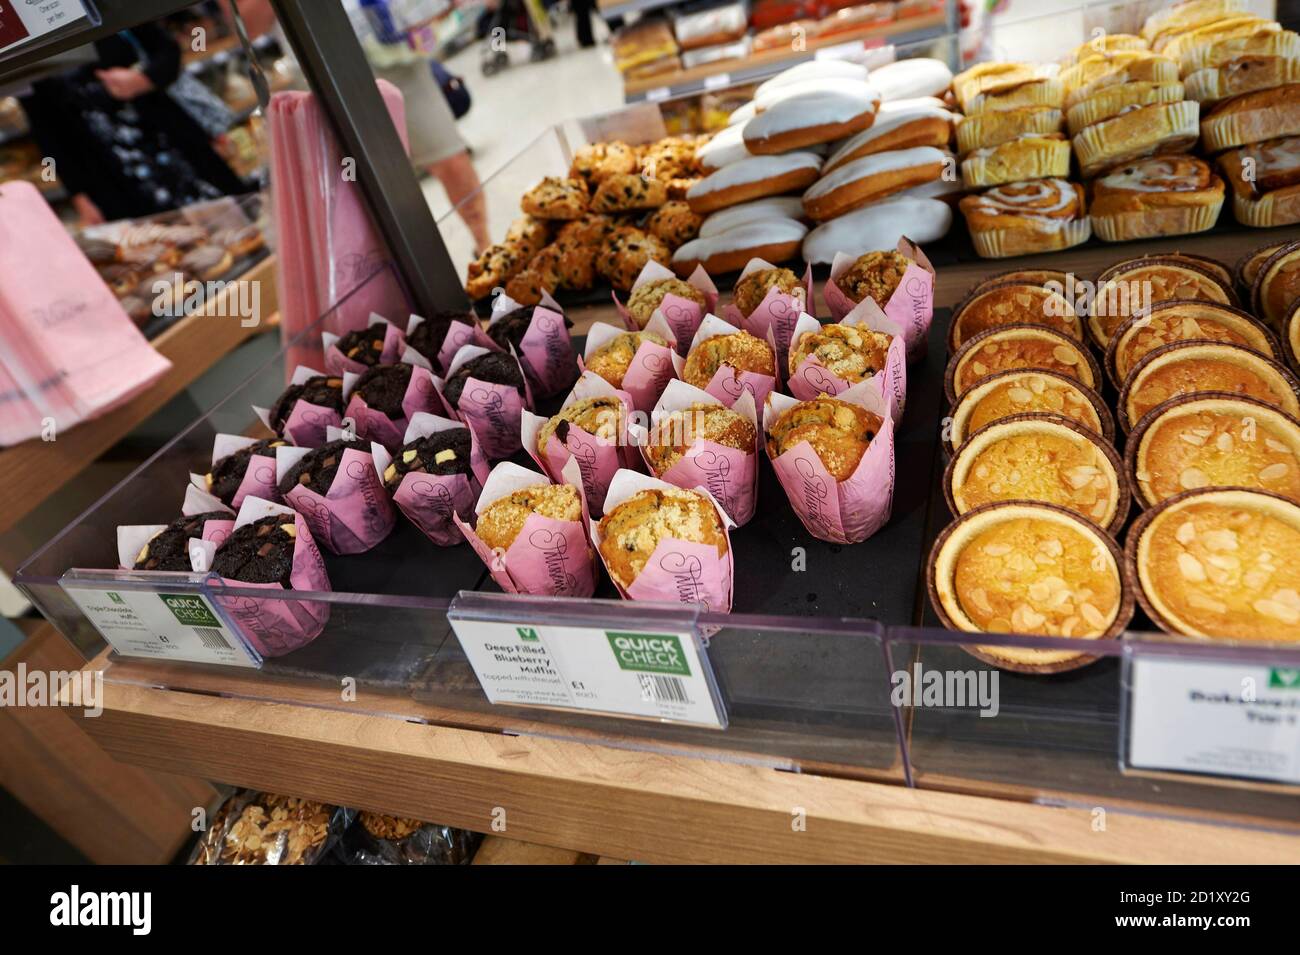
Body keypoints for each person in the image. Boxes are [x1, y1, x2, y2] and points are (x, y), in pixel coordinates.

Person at [20, 23, 248, 225]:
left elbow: (168, 51)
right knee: (165, 256)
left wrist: (142, 80)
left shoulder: (100, 7)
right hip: (111, 178)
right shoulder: (19, 38)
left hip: (174, 145)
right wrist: (78, 194)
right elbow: (46, 131)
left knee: (235, 225)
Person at [353, 0, 491, 253]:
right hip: (330, 66)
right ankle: (399, 275)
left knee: (450, 158)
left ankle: (486, 248)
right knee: (367, 189)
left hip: (402, 57)